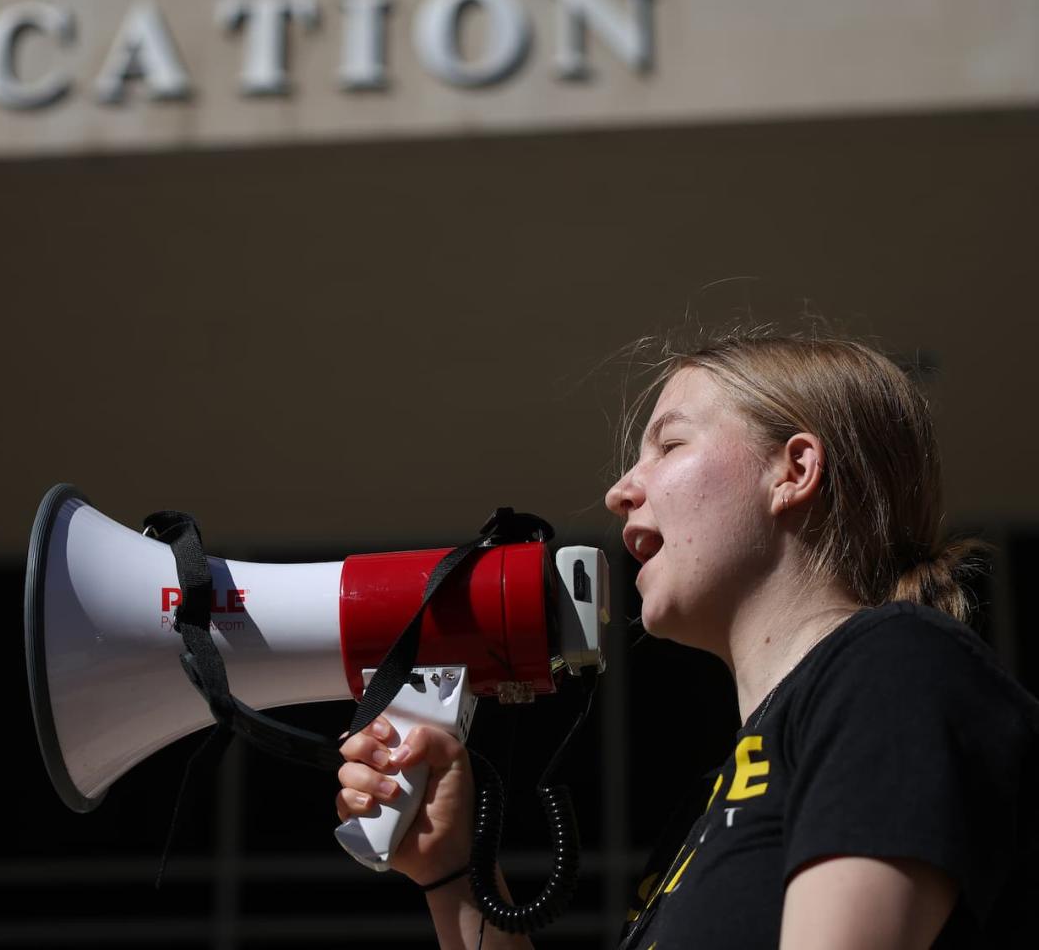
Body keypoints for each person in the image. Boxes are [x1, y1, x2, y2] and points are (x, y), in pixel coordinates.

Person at [335, 329, 1039, 948]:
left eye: (669, 443)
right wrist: (454, 872)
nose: (620, 491)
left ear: (793, 470)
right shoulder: (716, 798)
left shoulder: (898, 668)